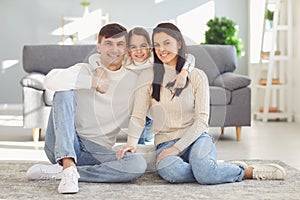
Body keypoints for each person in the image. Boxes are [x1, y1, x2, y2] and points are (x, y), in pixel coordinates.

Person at [116, 22, 286, 184]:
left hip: (197, 137)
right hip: (165, 142)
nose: (162, 49)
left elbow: (202, 120)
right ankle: (212, 169)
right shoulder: (147, 76)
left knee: (204, 173)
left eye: (167, 43)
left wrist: (177, 149)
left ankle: (244, 171)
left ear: (179, 43)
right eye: (157, 45)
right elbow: (138, 116)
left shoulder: (196, 75)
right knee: (172, 172)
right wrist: (131, 144)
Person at [26, 23, 148, 194]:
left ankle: (66, 172)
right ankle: (67, 164)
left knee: (137, 165)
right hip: (64, 143)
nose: (114, 49)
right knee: (63, 92)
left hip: (96, 151)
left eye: (120, 44)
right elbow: (50, 80)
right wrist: (93, 82)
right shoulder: (85, 70)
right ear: (98, 46)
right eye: (108, 43)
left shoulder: (135, 80)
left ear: (127, 49)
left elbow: (160, 58)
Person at [125, 27, 195, 144]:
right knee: (137, 143)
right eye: (133, 47)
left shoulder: (155, 59)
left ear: (150, 47)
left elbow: (190, 57)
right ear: (128, 50)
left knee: (145, 142)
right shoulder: (126, 62)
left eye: (143, 46)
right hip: (136, 112)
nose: (139, 51)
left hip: (151, 115)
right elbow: (96, 58)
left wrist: (183, 73)